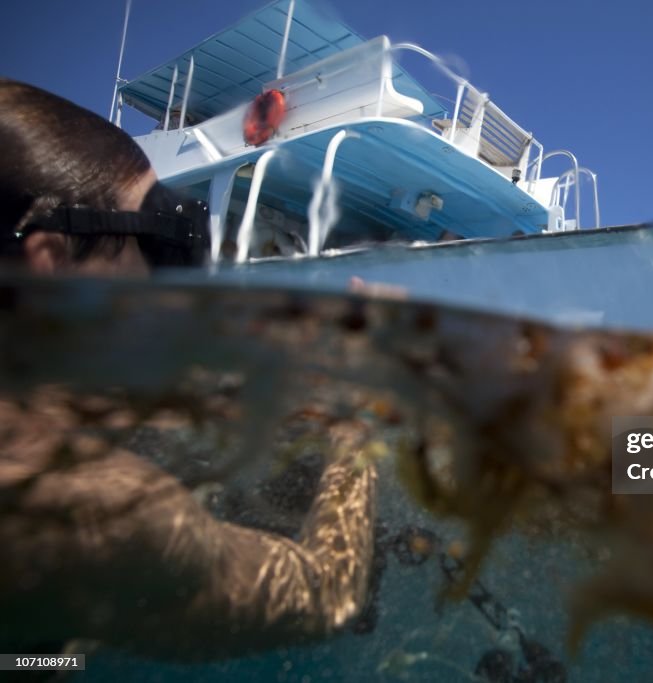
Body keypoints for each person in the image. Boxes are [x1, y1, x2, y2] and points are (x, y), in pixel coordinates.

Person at [0, 79, 375, 658]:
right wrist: (357, 410)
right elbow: (327, 590)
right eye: (161, 242)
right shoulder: (97, 510)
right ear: (53, 266)